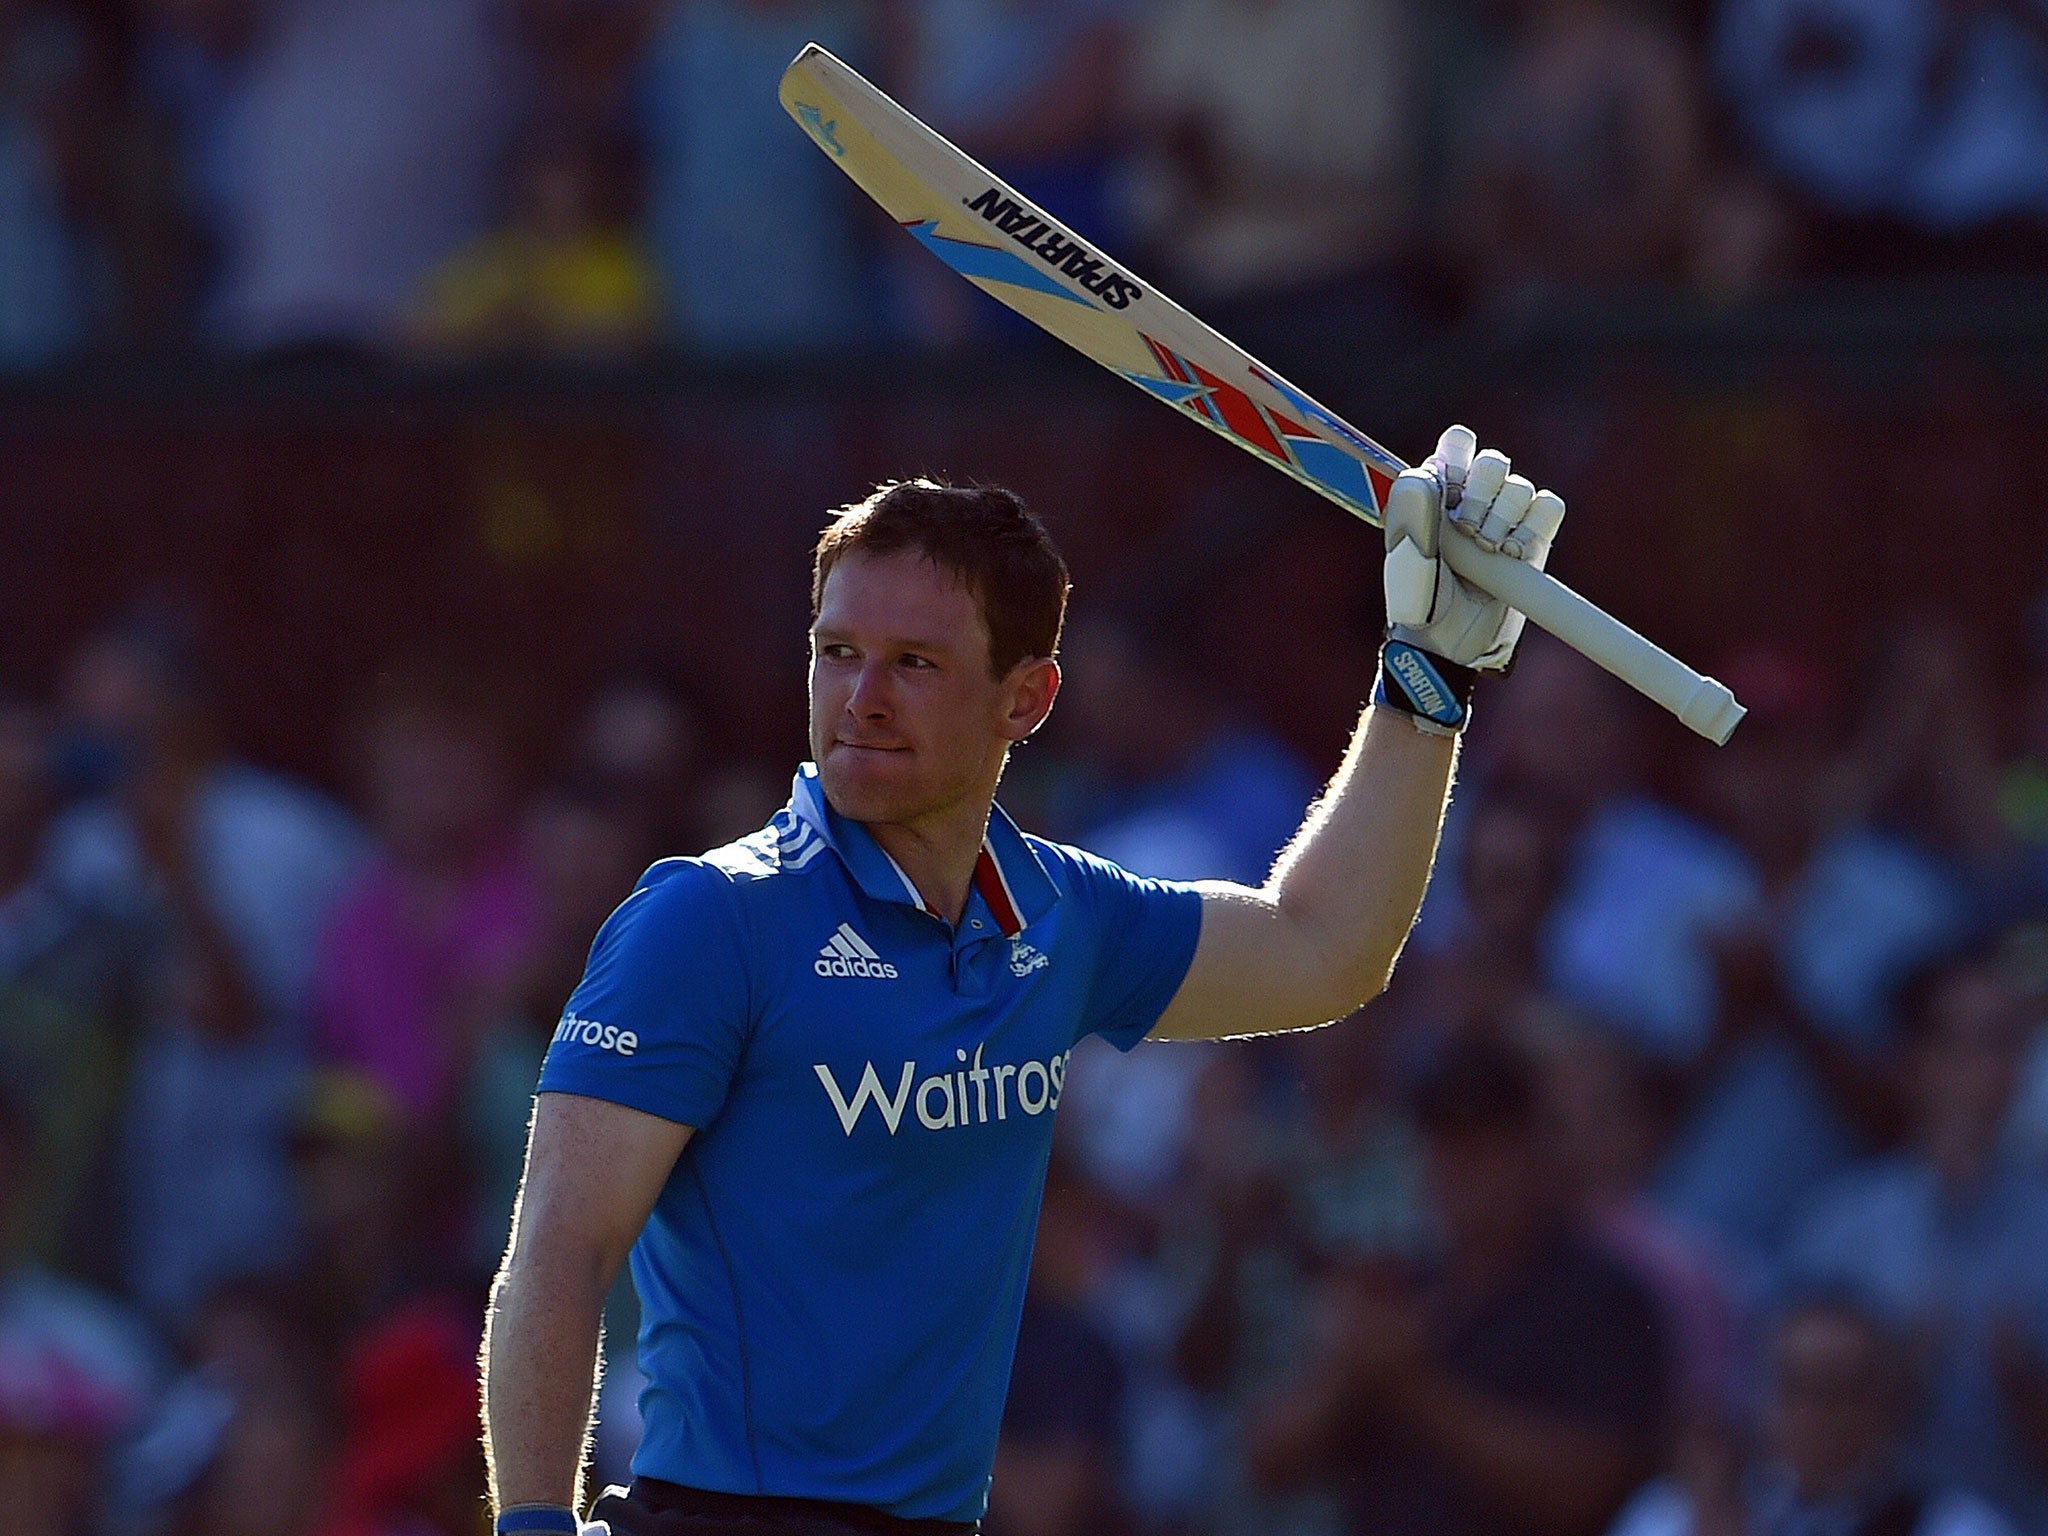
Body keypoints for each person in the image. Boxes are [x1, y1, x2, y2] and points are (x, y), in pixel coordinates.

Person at [481, 425, 1570, 1536]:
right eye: (835, 650)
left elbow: (1324, 950)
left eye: (913, 663)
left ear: (1028, 698)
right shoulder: (706, 920)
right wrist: (530, 1527)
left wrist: (1423, 685)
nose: (859, 697)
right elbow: (558, 1255)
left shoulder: (1060, 912)